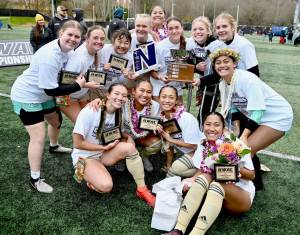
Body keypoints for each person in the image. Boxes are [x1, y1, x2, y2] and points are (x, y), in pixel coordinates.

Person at [10, 20, 86, 193]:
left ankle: (54, 146)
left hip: (42, 94)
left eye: (77, 36)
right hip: (27, 96)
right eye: (69, 35)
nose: (73, 39)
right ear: (61, 34)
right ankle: (35, 179)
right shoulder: (49, 56)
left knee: (56, 121)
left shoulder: (66, 49)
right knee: (38, 136)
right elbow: (51, 90)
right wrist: (77, 86)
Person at [164, 112, 255, 235]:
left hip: (239, 195)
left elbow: (251, 175)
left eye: (216, 125)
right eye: (208, 124)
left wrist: (230, 165)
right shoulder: (203, 144)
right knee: (204, 177)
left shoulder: (236, 144)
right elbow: (203, 169)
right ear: (203, 127)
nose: (211, 129)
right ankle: (178, 229)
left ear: (223, 128)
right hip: (215, 195)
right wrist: (191, 180)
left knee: (217, 184)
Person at [72, 83, 156, 207]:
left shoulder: (119, 112)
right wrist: (102, 147)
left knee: (130, 148)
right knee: (106, 186)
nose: (120, 98)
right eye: (116, 94)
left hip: (103, 153)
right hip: (85, 156)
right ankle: (86, 174)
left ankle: (142, 189)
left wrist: (128, 138)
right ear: (108, 95)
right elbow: (77, 143)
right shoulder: (91, 110)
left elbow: (118, 132)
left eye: (124, 95)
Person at [210, 48, 293, 159]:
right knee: (240, 148)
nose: (222, 65)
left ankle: (249, 175)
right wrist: (237, 129)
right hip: (257, 117)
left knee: (244, 151)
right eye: (218, 63)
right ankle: (249, 174)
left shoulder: (247, 79)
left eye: (226, 61)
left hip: (277, 116)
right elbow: (234, 106)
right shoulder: (223, 84)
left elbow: (259, 110)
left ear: (234, 64)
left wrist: (244, 136)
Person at [59, 25, 106, 123]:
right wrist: (87, 84)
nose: (99, 41)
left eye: (102, 39)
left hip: (82, 94)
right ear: (87, 38)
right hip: (66, 96)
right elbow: (66, 81)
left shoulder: (97, 51)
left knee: (94, 119)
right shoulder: (79, 58)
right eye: (95, 38)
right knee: (82, 123)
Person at [157, 85, 203, 170]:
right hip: (186, 152)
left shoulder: (186, 118)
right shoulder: (162, 118)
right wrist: (168, 165)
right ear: (159, 99)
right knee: (172, 169)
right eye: (163, 97)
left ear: (176, 101)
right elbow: (169, 145)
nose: (167, 100)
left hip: (200, 150)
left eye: (171, 97)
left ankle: (203, 169)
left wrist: (170, 139)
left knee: (176, 169)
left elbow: (195, 146)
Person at [150, 16, 195, 103]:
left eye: (177, 27)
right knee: (162, 115)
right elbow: (151, 71)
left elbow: (188, 67)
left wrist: (188, 78)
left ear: (182, 28)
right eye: (170, 28)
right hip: (159, 87)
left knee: (178, 115)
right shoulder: (159, 46)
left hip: (176, 88)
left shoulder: (188, 44)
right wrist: (160, 77)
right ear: (167, 30)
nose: (174, 31)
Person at [185, 16, 217, 128]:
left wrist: (201, 80)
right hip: (203, 80)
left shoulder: (216, 44)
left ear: (209, 31)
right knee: (203, 111)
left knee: (206, 112)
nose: (198, 32)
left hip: (215, 81)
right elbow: (187, 62)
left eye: (201, 29)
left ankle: (203, 135)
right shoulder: (190, 43)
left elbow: (219, 73)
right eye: (195, 29)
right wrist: (196, 66)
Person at [99, 28, 135, 94]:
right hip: (99, 89)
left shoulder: (130, 58)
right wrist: (103, 69)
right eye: (119, 42)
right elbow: (91, 70)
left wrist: (127, 76)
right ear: (113, 41)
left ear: (130, 45)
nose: (122, 46)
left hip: (115, 92)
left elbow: (122, 81)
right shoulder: (103, 50)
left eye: (126, 43)